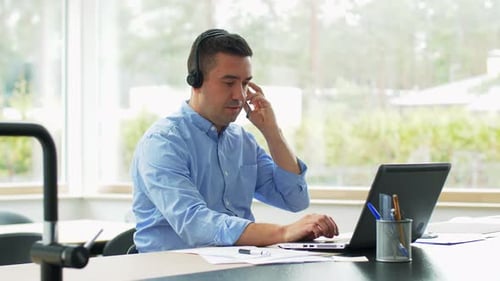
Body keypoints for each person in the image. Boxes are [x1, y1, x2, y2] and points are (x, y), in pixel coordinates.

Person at [130, 28, 339, 252]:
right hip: (171, 270)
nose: (240, 95)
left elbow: (294, 199)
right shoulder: (163, 142)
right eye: (229, 83)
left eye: (245, 83)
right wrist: (283, 233)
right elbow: (194, 224)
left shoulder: (242, 141)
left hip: (235, 266)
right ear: (196, 81)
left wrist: (272, 131)